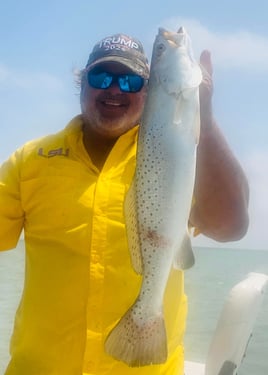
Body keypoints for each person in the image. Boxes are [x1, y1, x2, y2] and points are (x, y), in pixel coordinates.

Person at [0, 33, 249, 375]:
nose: (115, 89)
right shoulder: (30, 161)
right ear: (82, 83)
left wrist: (201, 118)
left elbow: (230, 228)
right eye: (101, 78)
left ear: (149, 92)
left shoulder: (178, 157)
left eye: (131, 80)